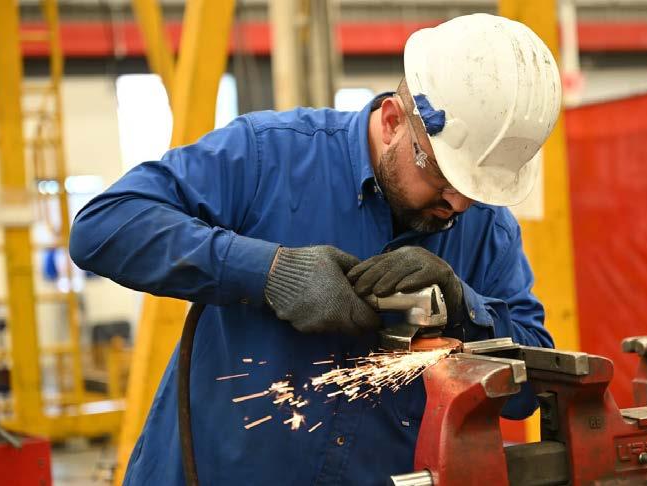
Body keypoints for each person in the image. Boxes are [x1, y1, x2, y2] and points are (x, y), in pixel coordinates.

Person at [69, 13, 561, 486]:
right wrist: (269, 273)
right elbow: (104, 226)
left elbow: (533, 387)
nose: (458, 204)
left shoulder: (487, 230)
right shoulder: (269, 155)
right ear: (393, 121)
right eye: (442, 175)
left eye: (474, 188)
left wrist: (463, 308)